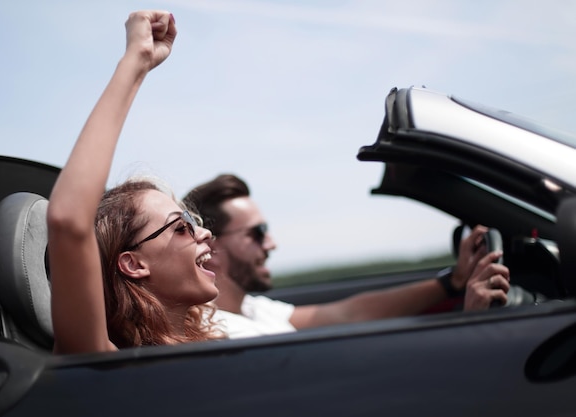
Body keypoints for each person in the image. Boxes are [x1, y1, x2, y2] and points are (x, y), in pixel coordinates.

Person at [47, 10, 221, 354]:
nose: (205, 233)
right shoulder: (106, 362)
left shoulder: (208, 340)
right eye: (181, 227)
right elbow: (68, 220)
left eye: (194, 222)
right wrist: (137, 61)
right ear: (133, 264)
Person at [183, 174, 510, 338]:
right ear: (211, 248)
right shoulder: (219, 333)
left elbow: (348, 313)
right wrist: (472, 325)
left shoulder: (252, 309)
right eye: (257, 233)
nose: (271, 244)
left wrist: (452, 282)